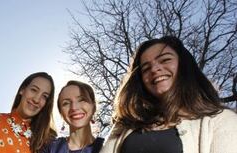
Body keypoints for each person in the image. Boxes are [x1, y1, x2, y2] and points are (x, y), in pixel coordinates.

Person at [100, 36, 237, 153]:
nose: (154, 69)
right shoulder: (125, 125)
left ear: (184, 66)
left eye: (165, 60)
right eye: (146, 68)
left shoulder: (222, 120)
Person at [0, 72, 57, 153]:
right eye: (34, 90)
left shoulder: (47, 141)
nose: (36, 99)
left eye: (44, 96)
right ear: (22, 90)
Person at [42, 80, 104, 153]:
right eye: (66, 103)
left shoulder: (108, 147)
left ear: (94, 107)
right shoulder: (50, 148)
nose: (74, 107)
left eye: (81, 100)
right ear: (61, 113)